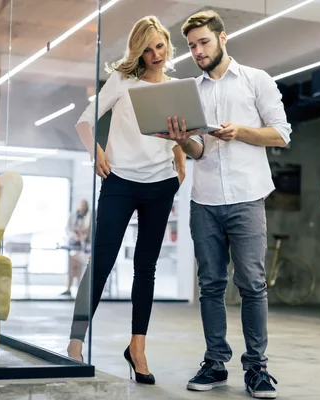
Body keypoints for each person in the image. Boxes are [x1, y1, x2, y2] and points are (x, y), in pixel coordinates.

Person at [156, 10, 291, 399]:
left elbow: (281, 134)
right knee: (210, 285)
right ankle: (215, 363)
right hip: (206, 199)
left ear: (222, 38)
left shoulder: (256, 80)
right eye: (192, 46)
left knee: (251, 284)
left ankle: (257, 369)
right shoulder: (189, 91)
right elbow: (199, 151)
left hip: (248, 197)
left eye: (204, 42)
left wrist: (242, 131)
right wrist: (181, 140)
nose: (197, 51)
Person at [66, 16, 186, 385]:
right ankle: (75, 341)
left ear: (167, 44)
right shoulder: (122, 80)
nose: (154, 54)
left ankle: (137, 348)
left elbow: (183, 136)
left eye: (160, 46)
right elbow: (85, 122)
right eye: (147, 48)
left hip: (160, 186)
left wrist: (179, 172)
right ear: (138, 50)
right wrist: (96, 151)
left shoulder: (178, 88)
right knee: (101, 261)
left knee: (145, 269)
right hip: (119, 181)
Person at [61, 199, 91, 296]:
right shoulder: (74, 216)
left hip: (84, 250)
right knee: (73, 267)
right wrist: (74, 234)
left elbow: (86, 232)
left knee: (76, 267)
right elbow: (69, 229)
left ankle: (77, 289)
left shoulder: (88, 217)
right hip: (74, 246)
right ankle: (72, 289)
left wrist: (80, 234)